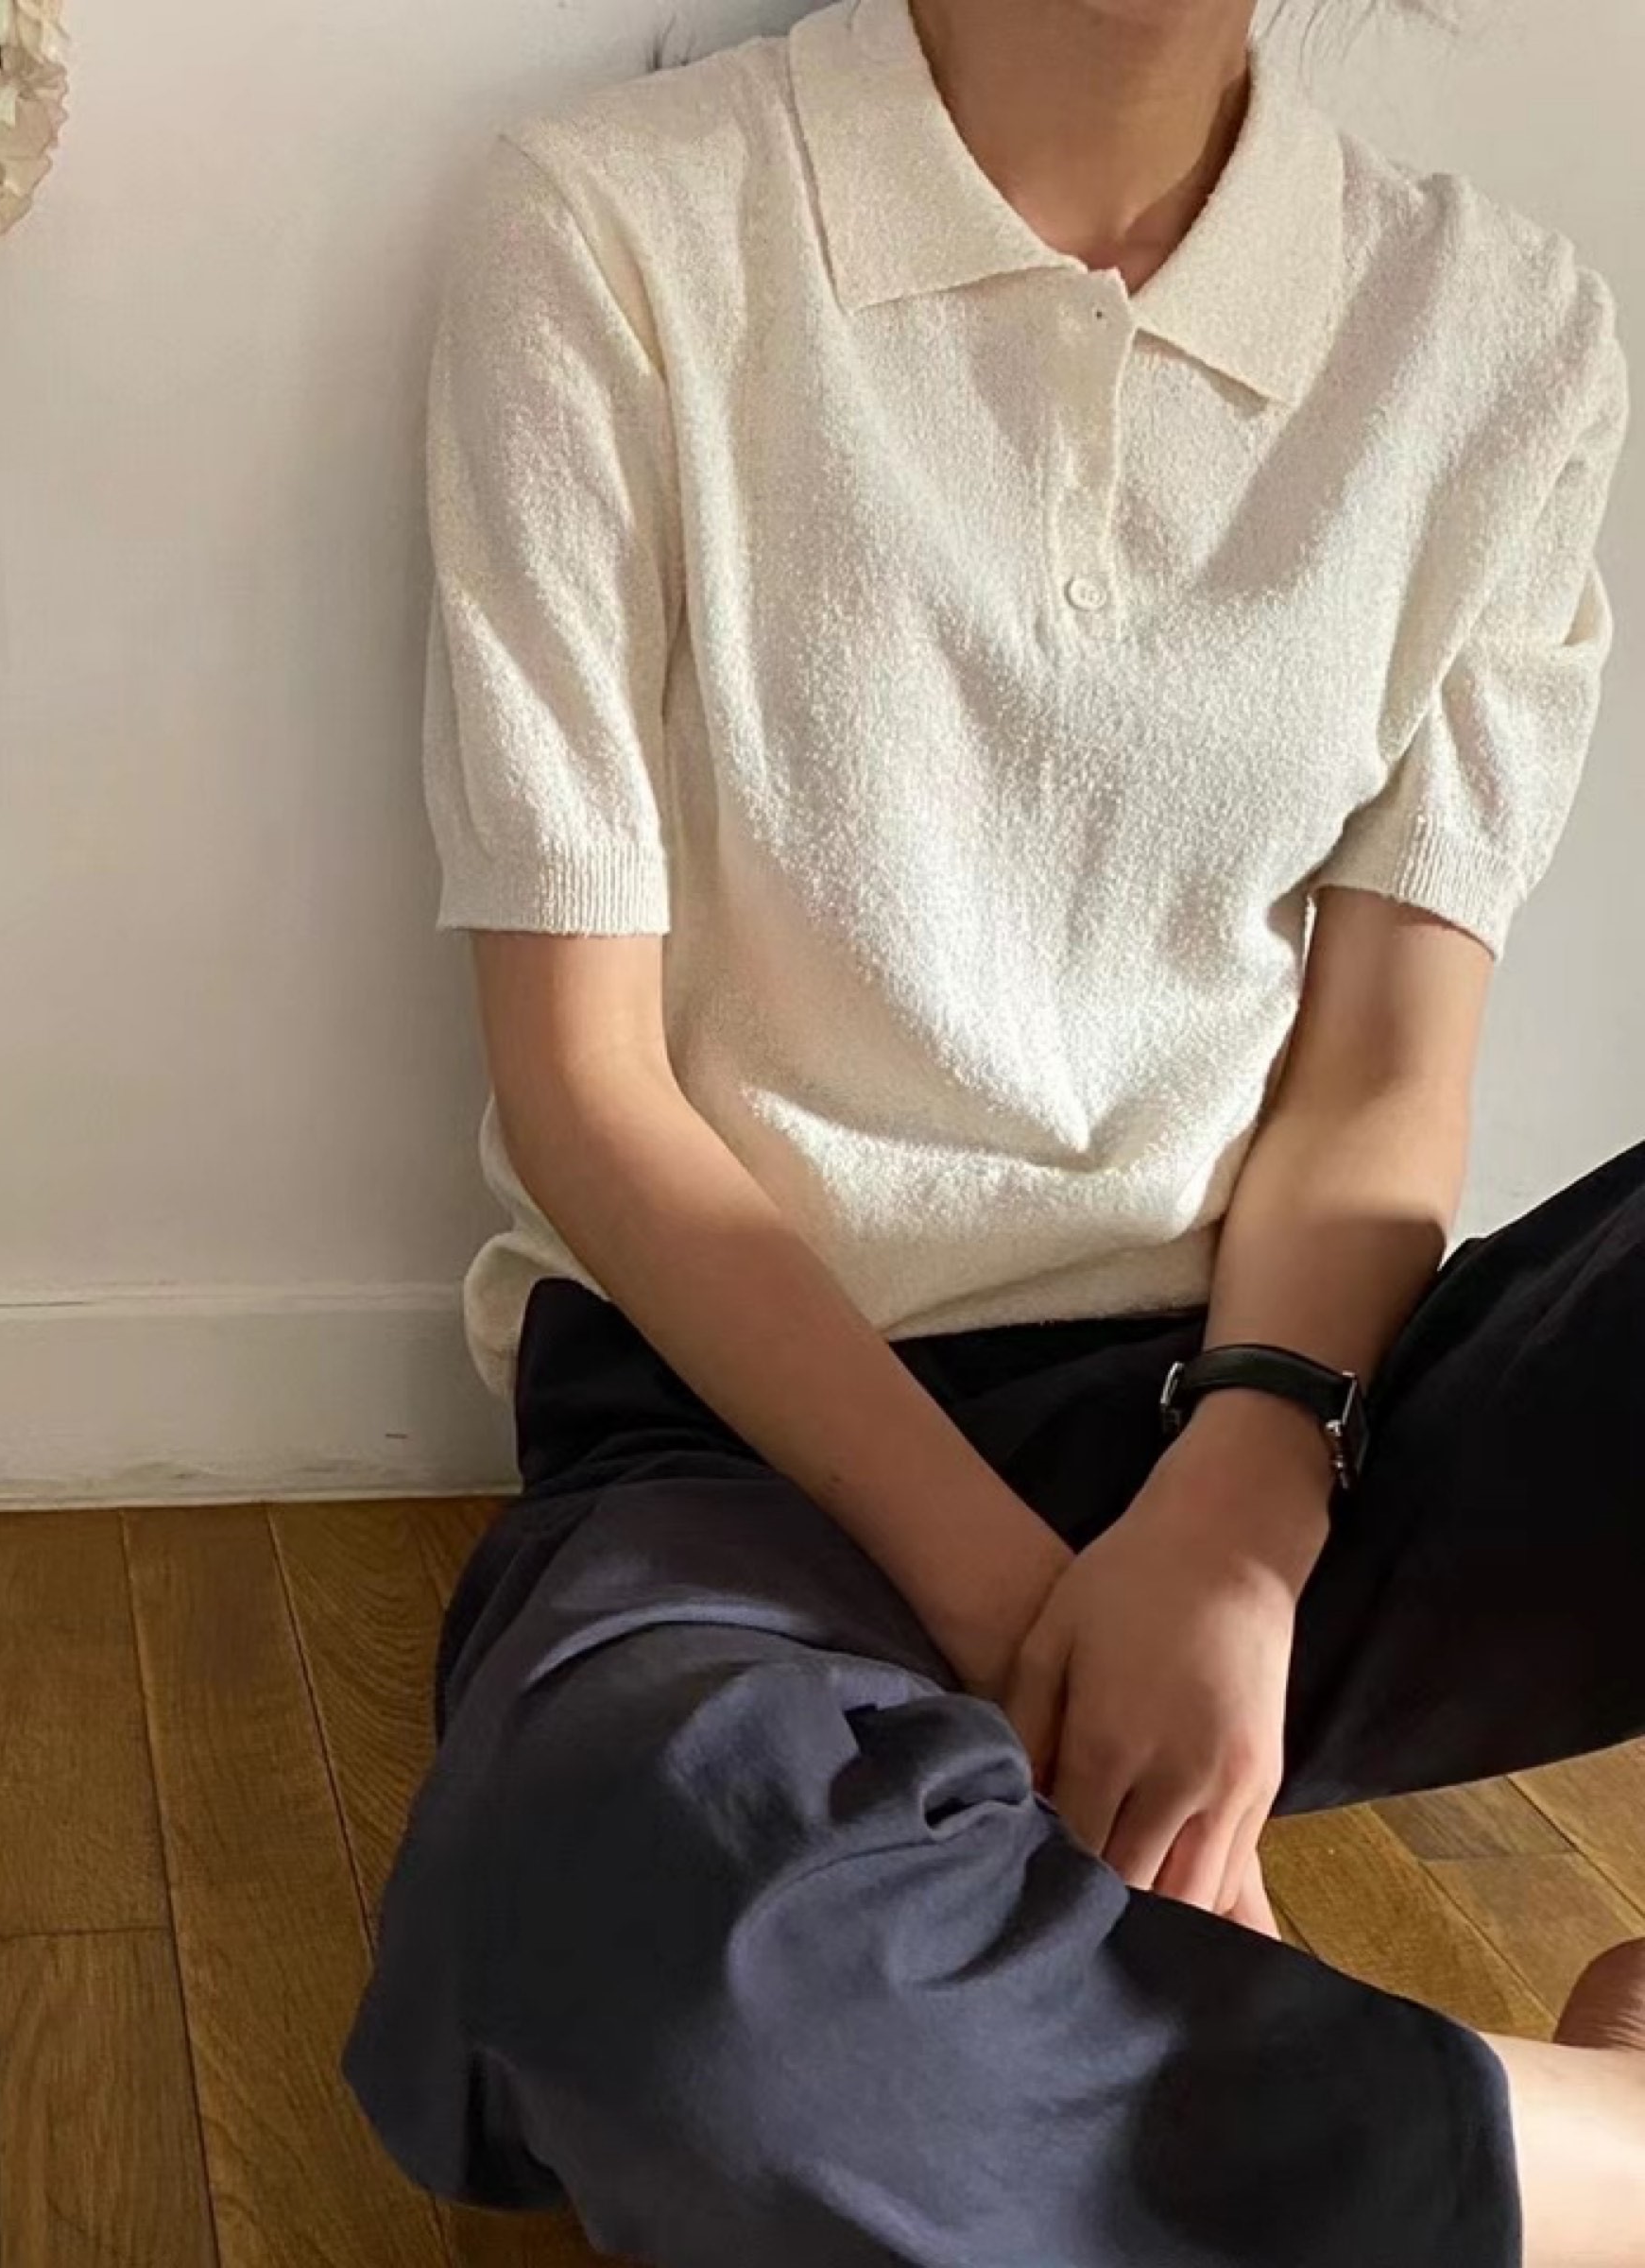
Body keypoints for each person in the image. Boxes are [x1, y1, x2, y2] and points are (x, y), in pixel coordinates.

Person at [345, 0, 1641, 2260]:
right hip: (746, 1460)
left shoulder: (1502, 329)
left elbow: (1376, 1073)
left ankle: (1099, 2044)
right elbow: (585, 1086)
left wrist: (1233, 1519)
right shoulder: (620, 233)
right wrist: (1045, 1619)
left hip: (1283, 1407)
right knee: (697, 1975)